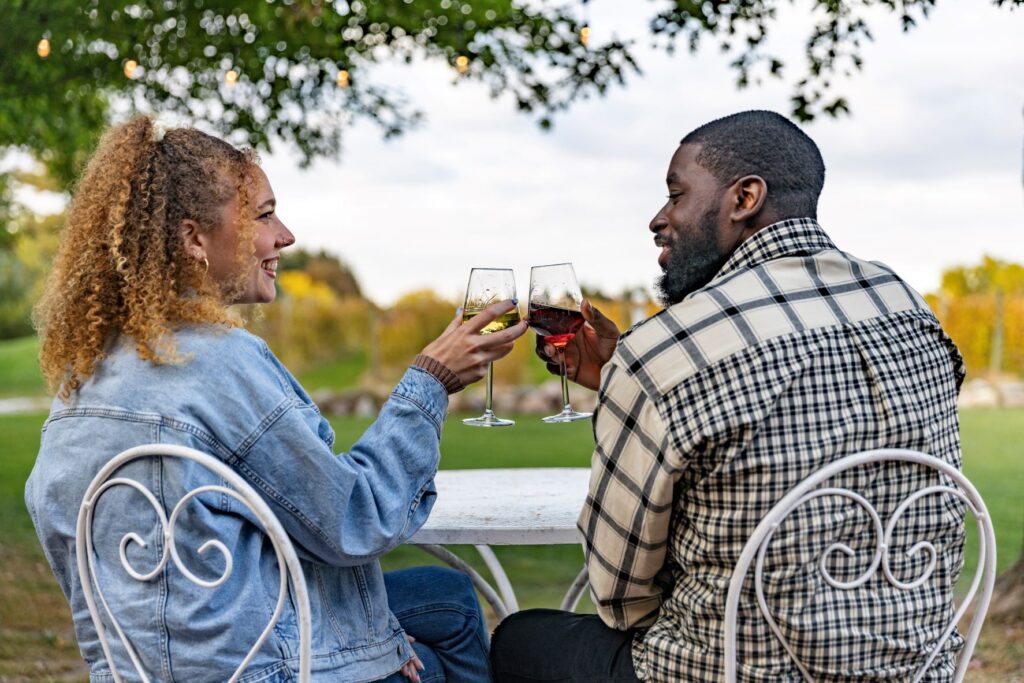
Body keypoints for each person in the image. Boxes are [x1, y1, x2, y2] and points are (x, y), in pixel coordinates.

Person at [25, 116, 526, 682]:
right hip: (261, 668)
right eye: (263, 215)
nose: (285, 235)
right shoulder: (221, 362)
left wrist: (367, 634)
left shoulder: (86, 373)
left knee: (446, 594)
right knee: (449, 635)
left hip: (149, 665)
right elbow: (356, 520)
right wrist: (432, 379)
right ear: (194, 239)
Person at [490, 110, 967, 681]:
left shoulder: (670, 347)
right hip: (915, 666)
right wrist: (624, 371)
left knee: (519, 638)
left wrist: (637, 371)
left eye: (676, 195)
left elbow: (619, 594)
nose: (658, 219)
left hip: (735, 670)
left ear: (744, 198)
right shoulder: (904, 303)